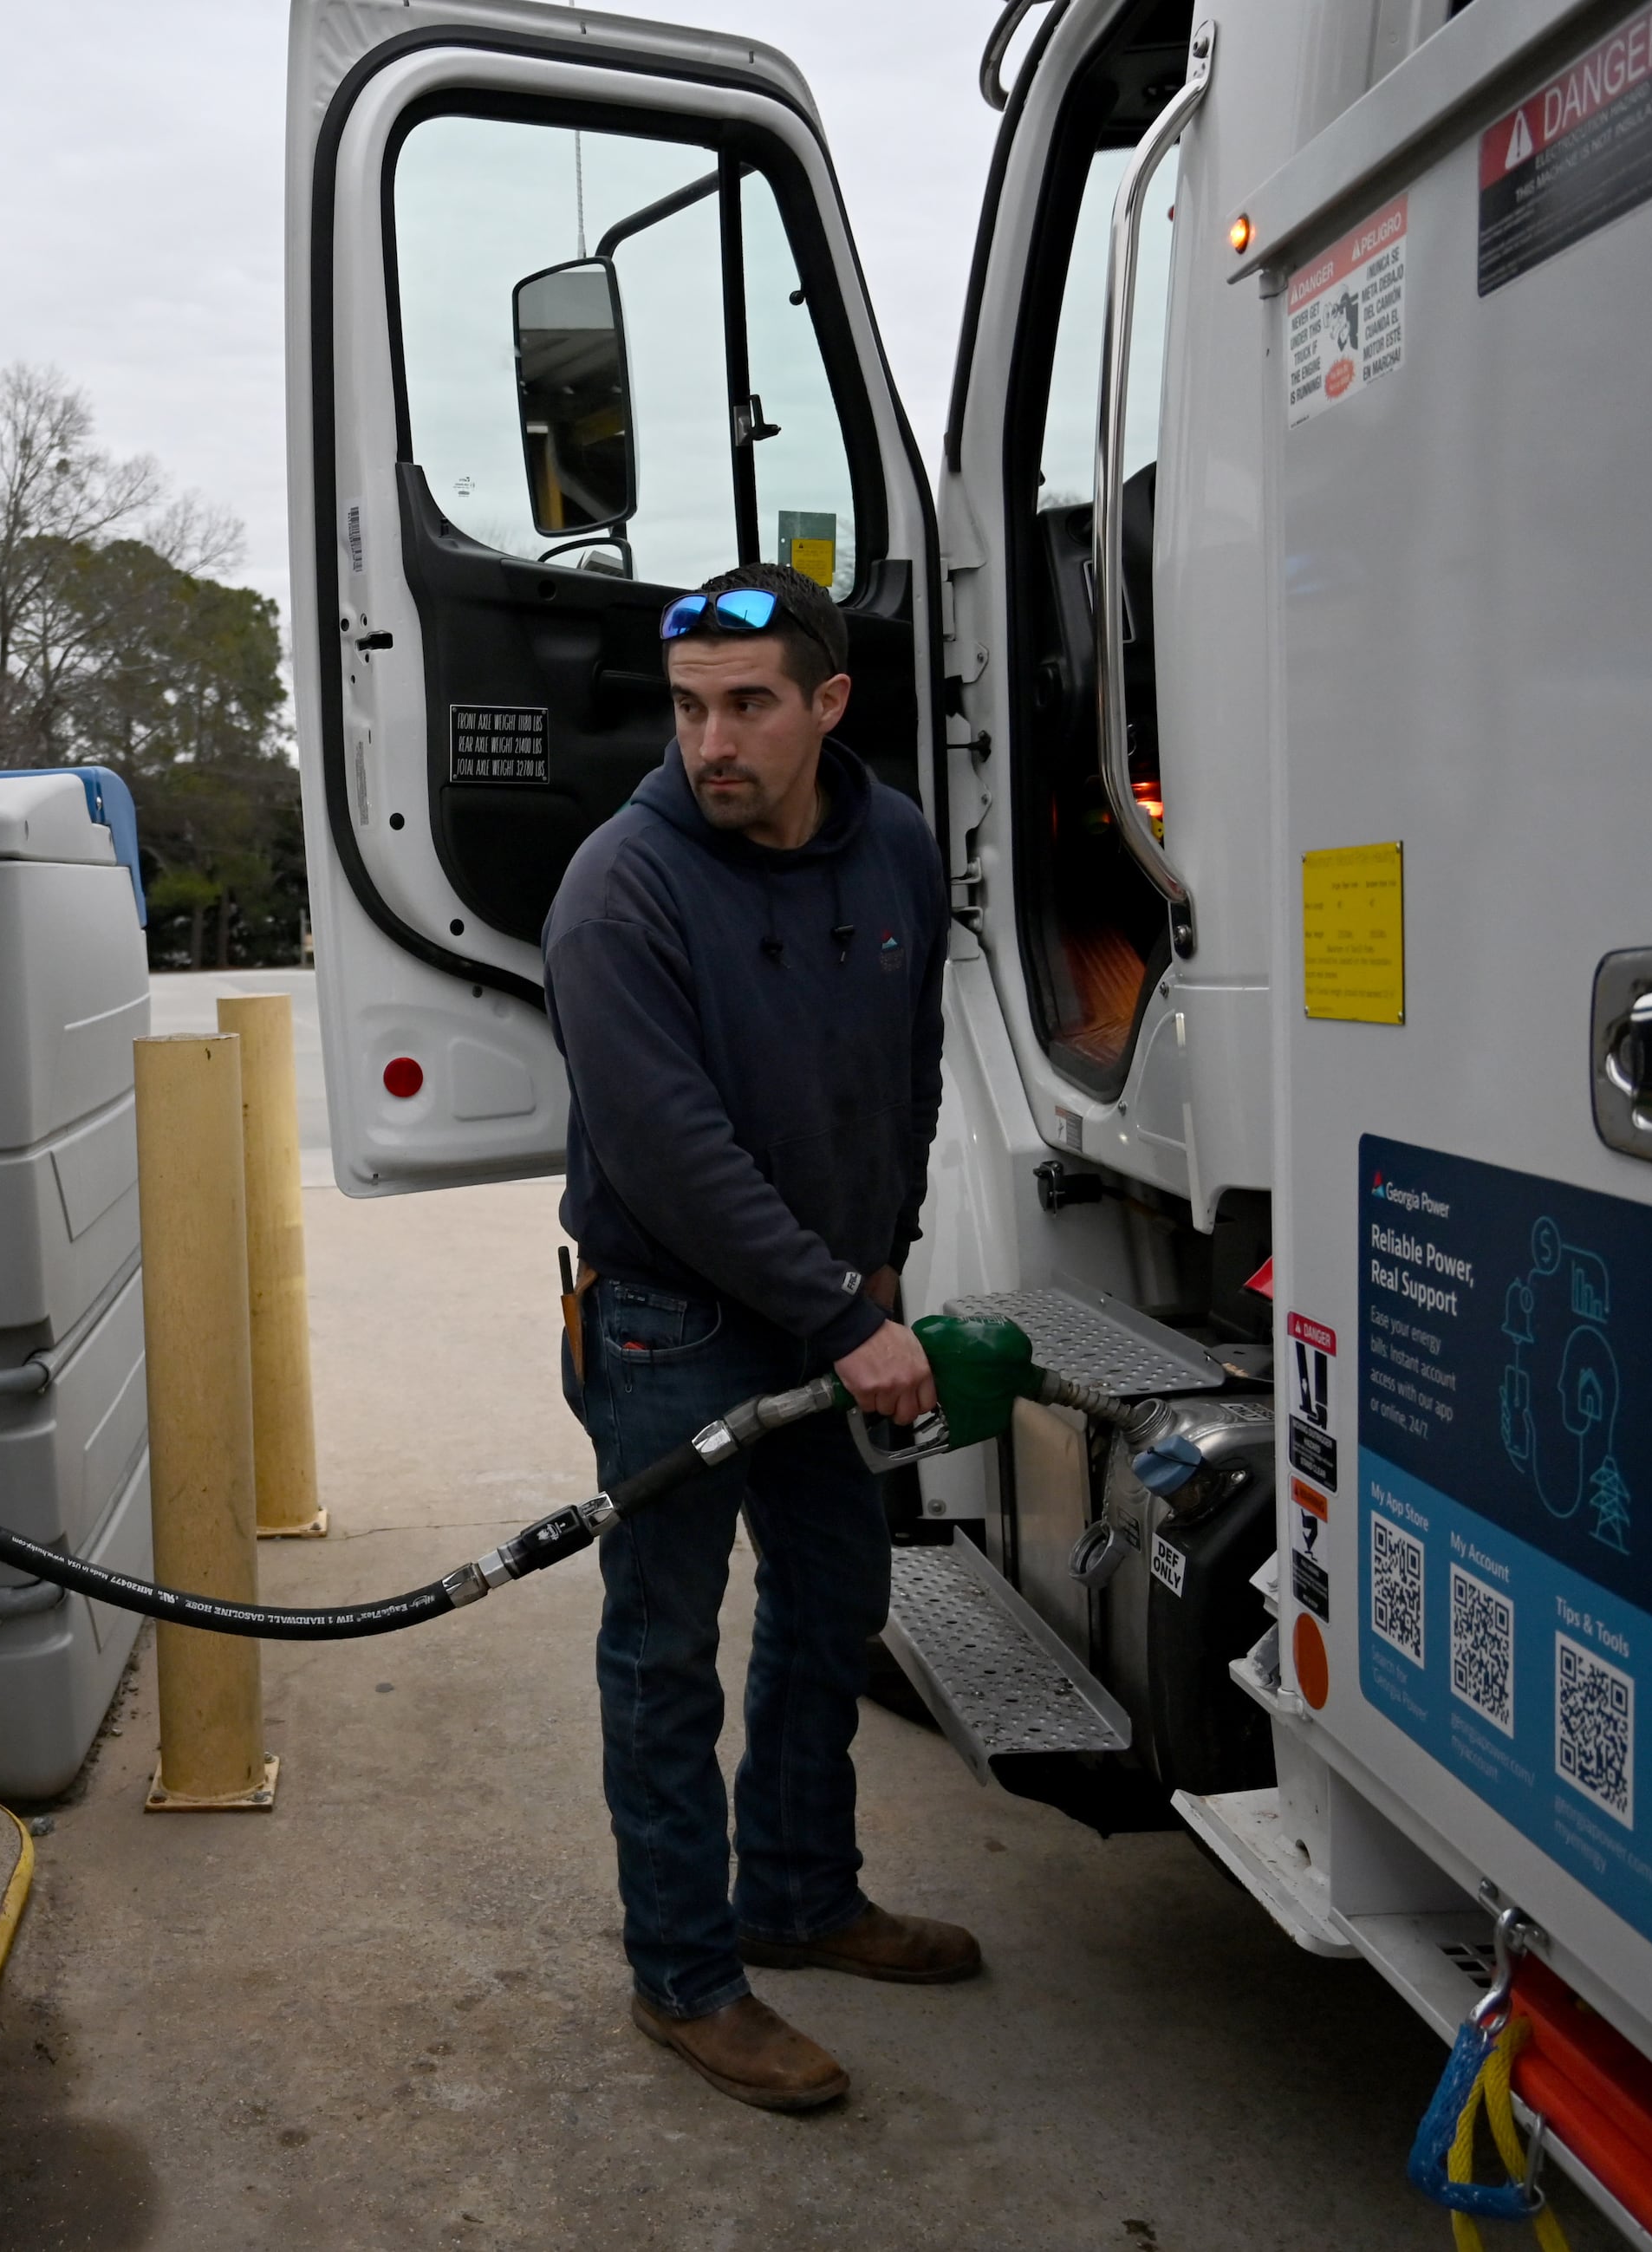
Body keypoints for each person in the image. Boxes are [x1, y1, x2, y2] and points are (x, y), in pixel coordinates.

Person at [543, 560, 978, 2114]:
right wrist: (839, 1312)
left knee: (831, 1599)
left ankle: (800, 1892)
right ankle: (686, 1973)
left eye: (747, 705)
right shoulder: (624, 886)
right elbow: (671, 1149)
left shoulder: (899, 848)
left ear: (828, 704)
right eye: (687, 709)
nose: (709, 742)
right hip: (672, 1321)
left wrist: (881, 1256)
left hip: (828, 1301)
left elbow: (911, 1059)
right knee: (666, 1651)